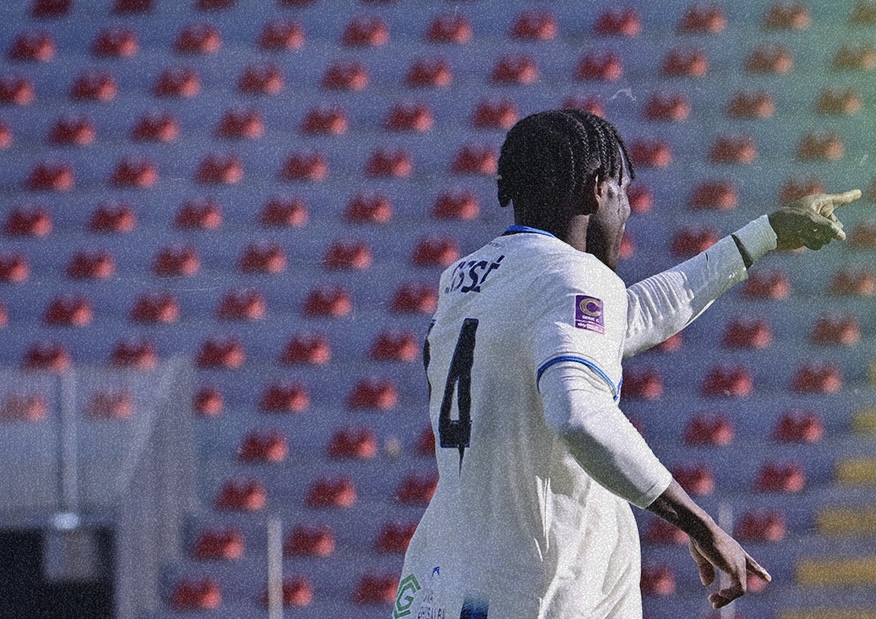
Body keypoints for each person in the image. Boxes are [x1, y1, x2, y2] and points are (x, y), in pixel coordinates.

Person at [392, 109, 860, 619]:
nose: (628, 209)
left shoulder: (467, 280)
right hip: (535, 585)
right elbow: (579, 413)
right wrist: (700, 524)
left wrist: (765, 233)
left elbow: (629, 317)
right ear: (597, 190)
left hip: (448, 575)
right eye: (623, 190)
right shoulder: (572, 277)